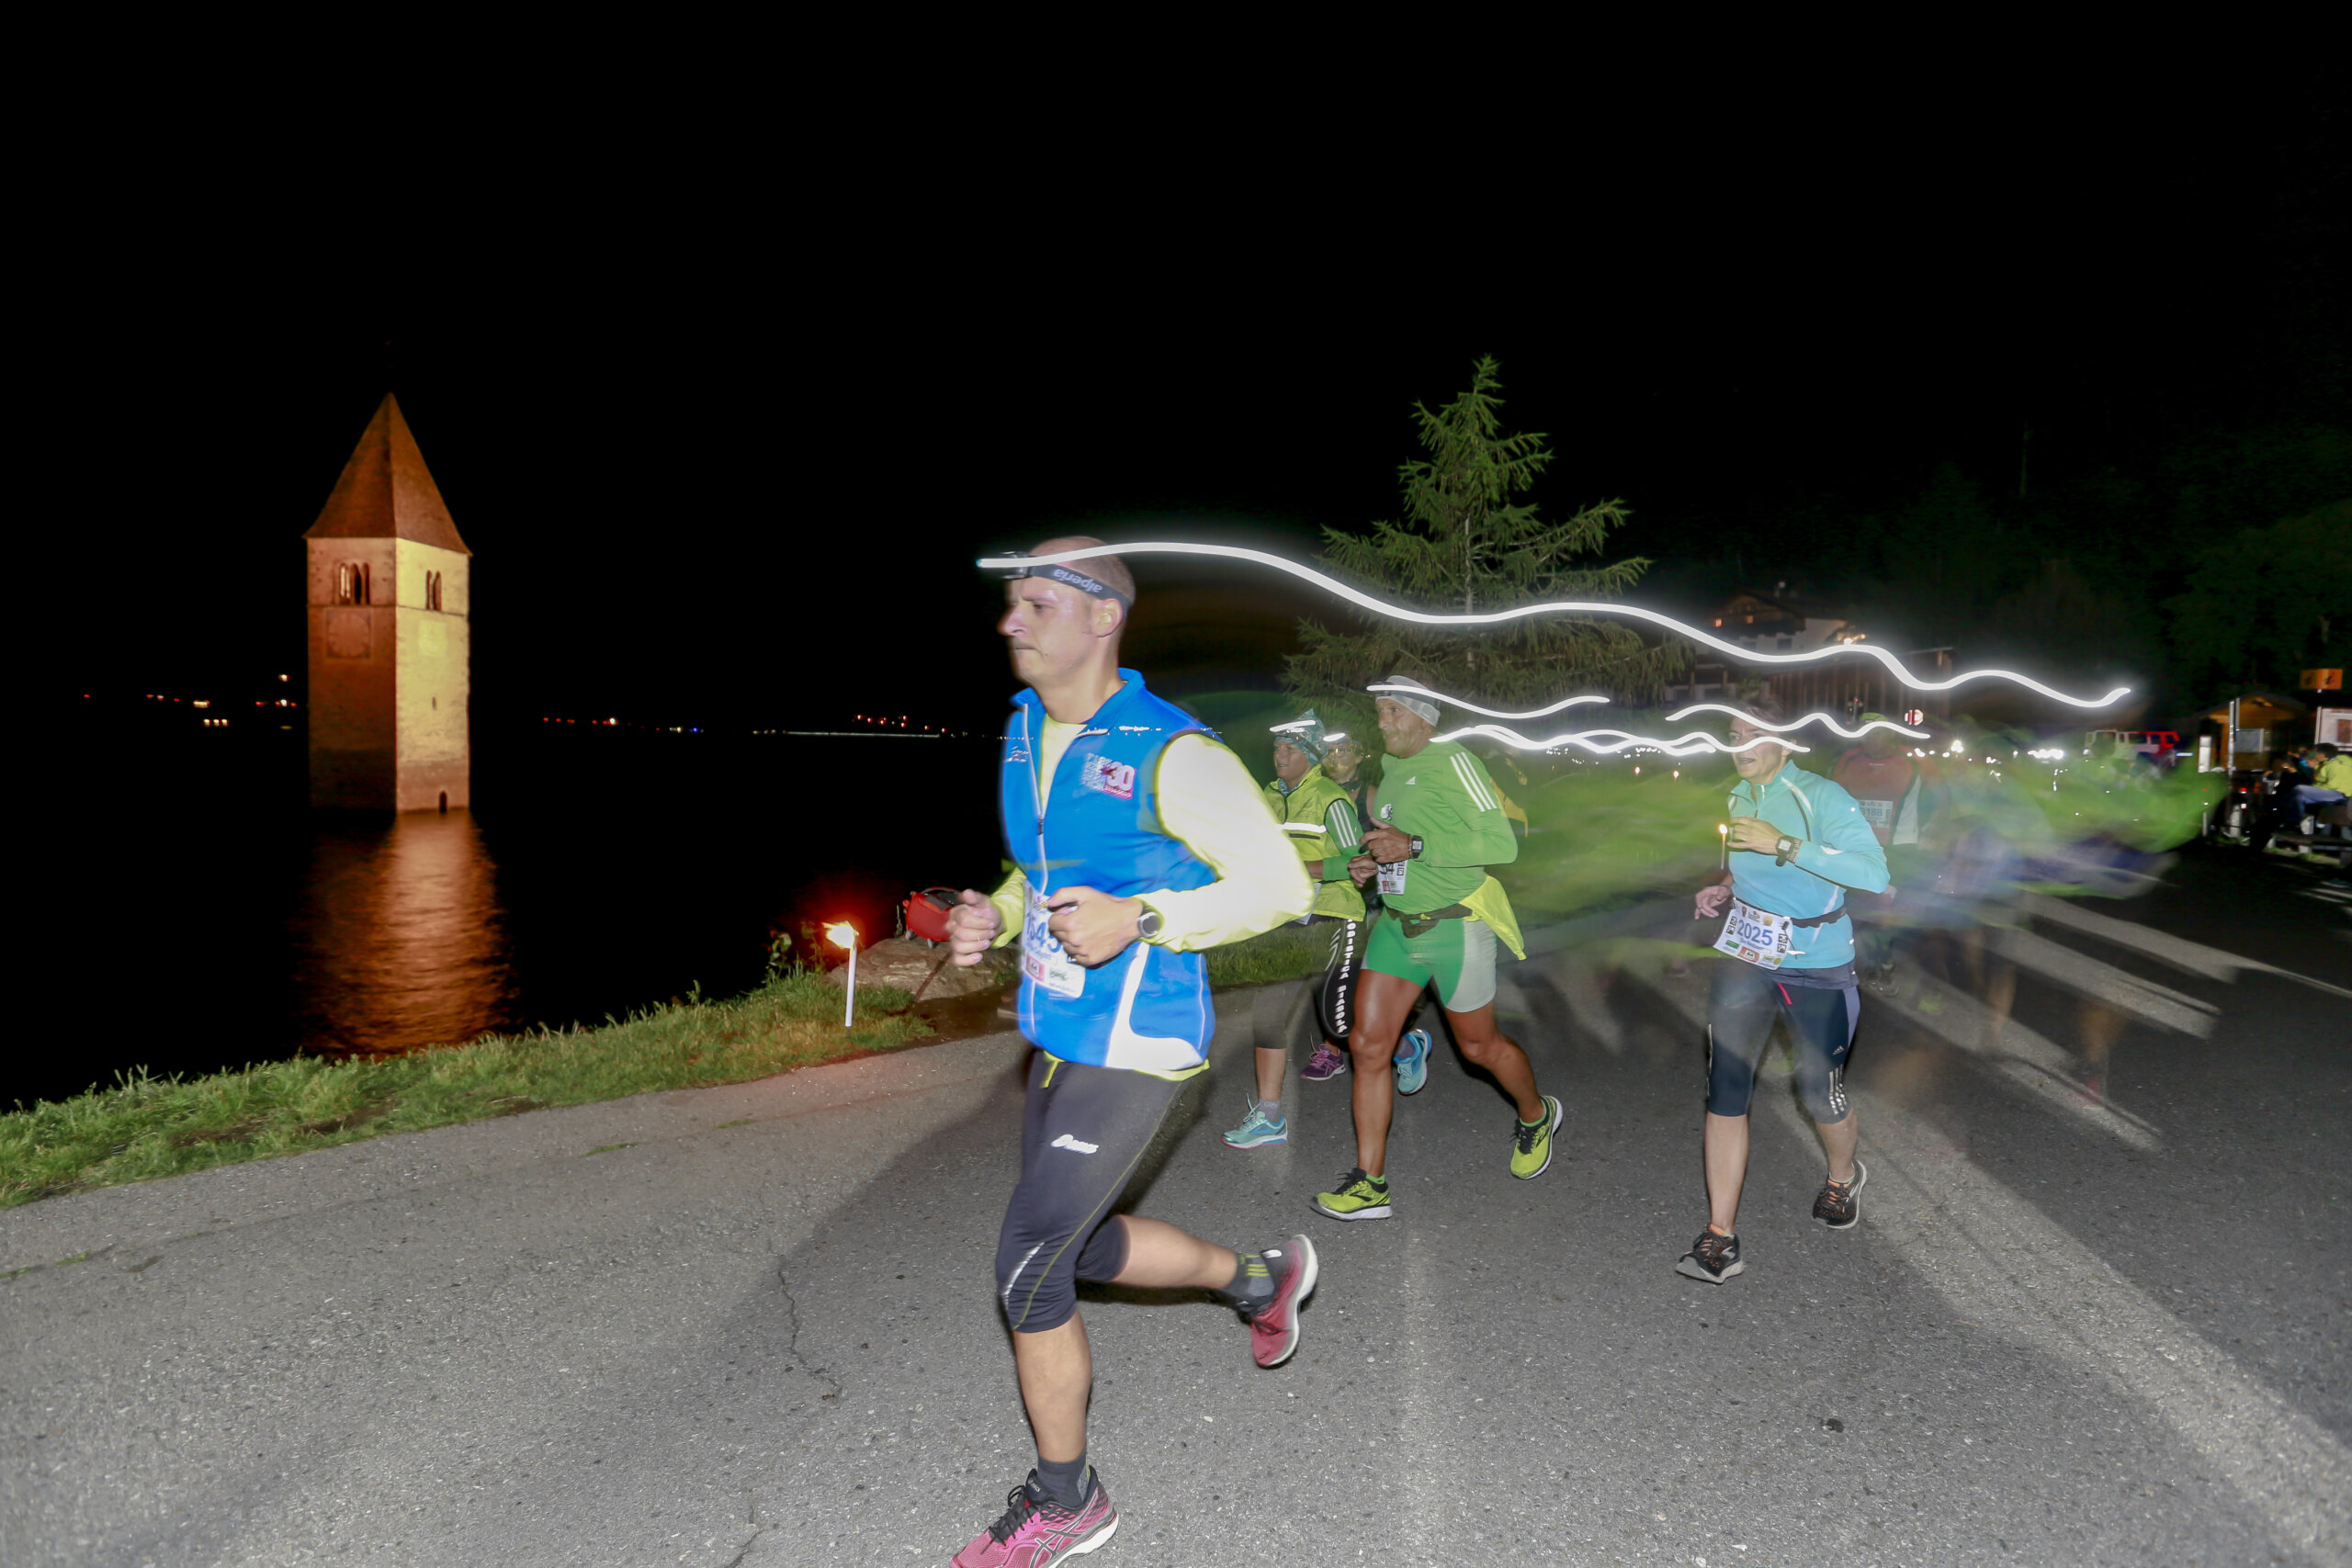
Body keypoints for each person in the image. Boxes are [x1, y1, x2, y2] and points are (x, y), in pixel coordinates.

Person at [943, 537, 1320, 1566]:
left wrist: (1143, 917)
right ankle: (1258, 1280)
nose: (1010, 621)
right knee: (1080, 1245)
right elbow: (1043, 869)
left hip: (1138, 1036)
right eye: (1010, 603)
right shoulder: (1026, 727)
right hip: (1058, 1031)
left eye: (1036, 603)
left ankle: (1068, 1501)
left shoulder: (1173, 752)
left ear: (1103, 616)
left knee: (1029, 1268)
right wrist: (996, 913)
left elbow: (1282, 888)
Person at [1312, 674, 1557, 1221]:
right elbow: (1396, 846)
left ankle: (1536, 1114)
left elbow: (1502, 843)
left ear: (1425, 719)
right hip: (1396, 928)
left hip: (1455, 927)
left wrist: (1414, 845)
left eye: (1393, 711)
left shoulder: (1454, 760)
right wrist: (1367, 861)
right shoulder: (1390, 769)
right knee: (1367, 1046)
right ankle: (1370, 1183)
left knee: (1479, 1048)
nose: (1382, 722)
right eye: (1380, 711)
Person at [1681, 698, 1890, 1285]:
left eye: (1753, 733)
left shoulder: (1822, 796)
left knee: (1818, 1093)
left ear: (1786, 740)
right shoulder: (1739, 794)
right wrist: (1725, 886)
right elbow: (1750, 865)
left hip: (1815, 963)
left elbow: (1874, 873)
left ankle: (1843, 1176)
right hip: (1746, 955)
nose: (1739, 745)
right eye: (1732, 734)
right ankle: (1720, 1234)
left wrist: (1786, 843)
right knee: (1725, 1088)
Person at [1226, 712, 1366, 1146]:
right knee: (1268, 1015)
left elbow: (1361, 862)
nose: (1280, 755)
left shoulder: (1331, 799)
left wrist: (1302, 869)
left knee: (1337, 1023)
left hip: (1334, 913)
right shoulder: (1268, 796)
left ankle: (1403, 1044)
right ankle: (1269, 1117)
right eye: (1277, 748)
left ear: (1311, 755)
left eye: (1290, 748)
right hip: (1287, 917)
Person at [1830, 714, 1939, 992]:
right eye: (1865, 732)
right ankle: (1872, 959)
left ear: (1890, 733)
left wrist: (1930, 831)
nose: (1870, 738)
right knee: (1860, 911)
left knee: (1885, 911)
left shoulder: (1915, 760)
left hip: (1899, 849)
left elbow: (1942, 799)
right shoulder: (1848, 761)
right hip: (1857, 847)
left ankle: (1886, 962)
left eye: (1876, 732)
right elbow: (1831, 801)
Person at [1299, 726, 1375, 1083]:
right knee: (1328, 980)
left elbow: (1389, 843)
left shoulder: (1370, 796)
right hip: (1323, 896)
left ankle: (1394, 1043)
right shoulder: (1312, 791)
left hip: (1369, 897)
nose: (1335, 757)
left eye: (1344, 750)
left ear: (1360, 756)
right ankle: (1334, 1049)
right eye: (1330, 750)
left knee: (1357, 982)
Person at [2289, 742, 2351, 833]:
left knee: (2300, 789)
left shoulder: (2336, 765)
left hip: (2339, 793)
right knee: (2298, 797)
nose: (2313, 755)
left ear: (2323, 755)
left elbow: (2332, 785)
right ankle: (2295, 824)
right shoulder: (2325, 764)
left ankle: (2296, 823)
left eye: (2315, 753)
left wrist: (2314, 788)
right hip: (2331, 791)